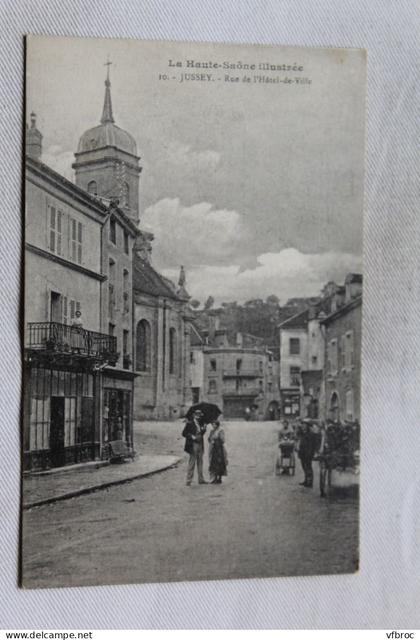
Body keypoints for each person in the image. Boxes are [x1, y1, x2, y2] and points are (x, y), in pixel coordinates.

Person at [182, 409, 208, 486]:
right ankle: (188, 480)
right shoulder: (189, 423)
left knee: (200, 462)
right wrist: (192, 436)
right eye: (197, 415)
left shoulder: (201, 423)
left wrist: (204, 429)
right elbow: (184, 433)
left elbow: (201, 433)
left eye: (199, 415)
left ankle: (201, 479)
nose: (198, 417)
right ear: (194, 415)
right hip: (193, 444)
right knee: (192, 462)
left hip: (200, 444)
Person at [297, 420, 319, 487]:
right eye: (302, 425)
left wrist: (311, 453)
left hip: (308, 453)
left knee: (308, 467)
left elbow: (313, 445)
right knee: (304, 467)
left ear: (307, 426)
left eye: (304, 425)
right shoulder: (302, 433)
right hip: (302, 452)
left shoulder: (311, 434)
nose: (303, 426)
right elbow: (299, 441)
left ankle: (310, 482)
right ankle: (306, 480)